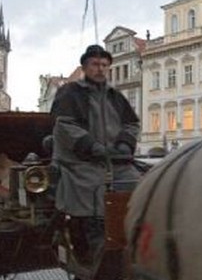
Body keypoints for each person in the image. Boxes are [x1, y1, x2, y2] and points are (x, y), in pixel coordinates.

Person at [50, 43, 140, 264]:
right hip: (79, 162)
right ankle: (91, 245)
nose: (100, 69)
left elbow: (132, 124)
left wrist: (124, 146)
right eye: (95, 64)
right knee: (91, 187)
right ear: (84, 67)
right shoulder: (69, 93)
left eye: (104, 65)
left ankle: (133, 236)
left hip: (116, 161)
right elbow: (64, 126)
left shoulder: (115, 96)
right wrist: (92, 146)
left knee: (136, 184)